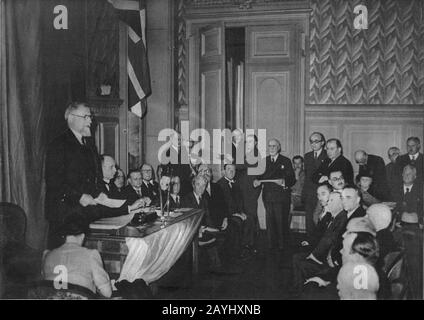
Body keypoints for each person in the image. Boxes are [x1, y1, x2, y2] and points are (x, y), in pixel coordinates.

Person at [45, 102, 143, 249]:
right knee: (64, 261)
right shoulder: (59, 144)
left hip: (82, 213)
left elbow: (92, 177)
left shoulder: (88, 144)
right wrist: (79, 196)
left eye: (90, 117)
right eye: (86, 117)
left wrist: (99, 194)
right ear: (71, 118)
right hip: (64, 214)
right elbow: (54, 181)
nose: (90, 121)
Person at [291, 191, 345, 296]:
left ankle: (302, 291)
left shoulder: (341, 219)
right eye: (328, 200)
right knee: (296, 257)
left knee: (300, 261)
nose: (328, 202)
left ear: (340, 203)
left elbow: (330, 241)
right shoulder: (332, 216)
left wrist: (314, 256)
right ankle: (298, 289)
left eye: (331, 200)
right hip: (322, 253)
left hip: (327, 260)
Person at [42, 218, 112, 298]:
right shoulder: (91, 254)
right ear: (83, 236)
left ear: (64, 236)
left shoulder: (47, 255)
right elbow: (107, 293)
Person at [253, 138, 295, 250]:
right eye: (270, 146)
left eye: (274, 146)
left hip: (281, 197)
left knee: (281, 222)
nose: (271, 148)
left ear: (279, 148)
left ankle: (282, 247)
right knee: (270, 222)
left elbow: (292, 178)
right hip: (268, 196)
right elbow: (258, 177)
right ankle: (271, 247)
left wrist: (284, 182)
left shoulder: (286, 161)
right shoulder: (264, 161)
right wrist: (256, 180)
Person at [217, 164, 249, 259]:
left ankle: (245, 247)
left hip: (236, 213)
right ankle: (236, 253)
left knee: (250, 219)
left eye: (233, 170)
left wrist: (242, 212)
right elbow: (222, 205)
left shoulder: (235, 184)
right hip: (226, 215)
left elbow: (240, 201)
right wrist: (235, 214)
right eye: (229, 169)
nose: (231, 172)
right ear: (224, 171)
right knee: (237, 222)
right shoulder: (220, 184)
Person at [237, 134, 263, 251]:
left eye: (251, 141)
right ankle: (253, 238)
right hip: (243, 187)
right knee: (249, 213)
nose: (248, 143)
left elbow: (242, 165)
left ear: (256, 143)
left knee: (250, 213)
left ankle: (249, 242)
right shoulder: (246, 153)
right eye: (247, 142)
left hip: (250, 189)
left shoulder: (255, 154)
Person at [303, 132, 328, 235]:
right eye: (311, 142)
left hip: (322, 193)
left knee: (320, 219)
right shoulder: (307, 156)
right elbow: (306, 176)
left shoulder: (327, 155)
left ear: (322, 143)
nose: (313, 144)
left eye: (316, 141)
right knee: (309, 219)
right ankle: (309, 243)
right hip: (309, 193)